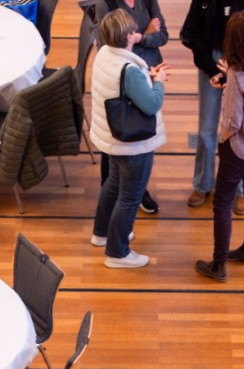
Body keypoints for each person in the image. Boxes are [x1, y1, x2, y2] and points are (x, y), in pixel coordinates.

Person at [195, 12, 244, 283]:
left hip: (238, 147)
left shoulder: (236, 75)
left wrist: (222, 139)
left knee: (222, 202)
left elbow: (232, 121)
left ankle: (218, 265)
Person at [89, 9, 168, 269]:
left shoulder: (103, 54)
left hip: (110, 137)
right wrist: (159, 82)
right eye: (133, 32)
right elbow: (151, 104)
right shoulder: (129, 70)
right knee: (130, 197)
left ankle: (101, 233)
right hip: (132, 145)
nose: (137, 34)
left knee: (113, 184)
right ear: (127, 37)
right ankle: (118, 252)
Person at [180, 0, 244, 211]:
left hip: (239, 62)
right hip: (211, 61)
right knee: (206, 128)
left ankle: (239, 190)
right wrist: (211, 68)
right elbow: (190, 31)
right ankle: (202, 184)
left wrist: (233, 69)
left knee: (237, 129)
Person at [96, 0, 168, 214]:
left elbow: (162, 36)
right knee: (116, 138)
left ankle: (137, 189)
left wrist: (137, 37)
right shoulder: (106, 4)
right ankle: (115, 198)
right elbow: (107, 45)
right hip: (123, 76)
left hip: (147, 72)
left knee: (139, 134)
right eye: (129, 34)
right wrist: (144, 35)